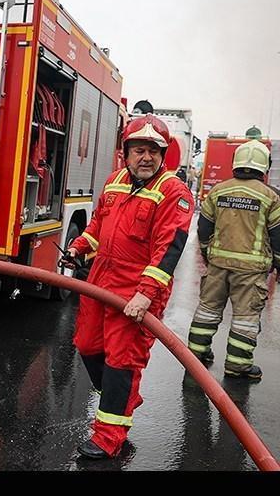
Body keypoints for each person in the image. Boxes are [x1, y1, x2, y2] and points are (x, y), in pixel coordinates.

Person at [62, 114, 194, 459]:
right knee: (88, 345)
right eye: (139, 149)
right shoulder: (115, 181)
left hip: (136, 291)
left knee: (121, 362)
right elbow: (97, 226)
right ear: (126, 153)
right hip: (100, 281)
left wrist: (146, 294)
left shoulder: (173, 192)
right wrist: (79, 248)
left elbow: (169, 248)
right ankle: (122, 398)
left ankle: (108, 439)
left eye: (153, 150)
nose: (145, 157)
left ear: (164, 154)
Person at [187, 140, 280, 381]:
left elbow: (204, 227)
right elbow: (277, 236)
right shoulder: (271, 198)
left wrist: (208, 253)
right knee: (245, 319)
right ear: (264, 167)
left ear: (235, 163)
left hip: (218, 265)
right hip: (251, 270)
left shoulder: (218, 191)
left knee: (207, 311)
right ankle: (237, 366)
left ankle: (195, 356)